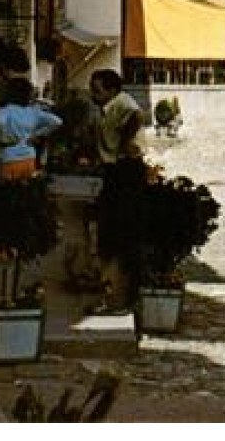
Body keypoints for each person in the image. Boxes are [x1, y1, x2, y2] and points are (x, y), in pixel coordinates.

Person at [89, 69, 145, 315]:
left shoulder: (123, 105)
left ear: (111, 90)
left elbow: (136, 117)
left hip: (124, 174)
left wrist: (123, 148)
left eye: (97, 90)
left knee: (119, 237)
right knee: (110, 236)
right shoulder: (110, 107)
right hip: (116, 172)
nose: (93, 94)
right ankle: (112, 296)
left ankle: (120, 299)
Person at [0, 77, 62, 181]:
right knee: (27, 190)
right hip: (29, 157)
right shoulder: (33, 111)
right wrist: (38, 134)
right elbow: (57, 121)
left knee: (9, 192)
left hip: (9, 157)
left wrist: (4, 138)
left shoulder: (5, 110)